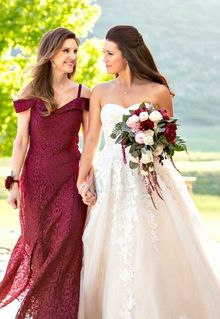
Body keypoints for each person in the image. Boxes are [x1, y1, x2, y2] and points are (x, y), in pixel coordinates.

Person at [77, 25, 220, 319]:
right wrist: (84, 177)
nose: (104, 59)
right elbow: (91, 139)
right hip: (111, 179)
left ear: (127, 55)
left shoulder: (159, 91)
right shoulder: (101, 91)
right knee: (109, 246)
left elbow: (167, 140)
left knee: (150, 243)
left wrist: (150, 148)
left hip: (149, 176)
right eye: (104, 53)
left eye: (109, 53)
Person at [0, 27, 90, 318]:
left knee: (68, 244)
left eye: (74, 51)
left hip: (70, 179)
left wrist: (87, 178)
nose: (72, 56)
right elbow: (21, 141)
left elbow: (91, 141)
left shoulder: (84, 95)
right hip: (36, 181)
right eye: (66, 50)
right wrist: (13, 183)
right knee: (41, 247)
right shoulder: (29, 94)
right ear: (51, 53)